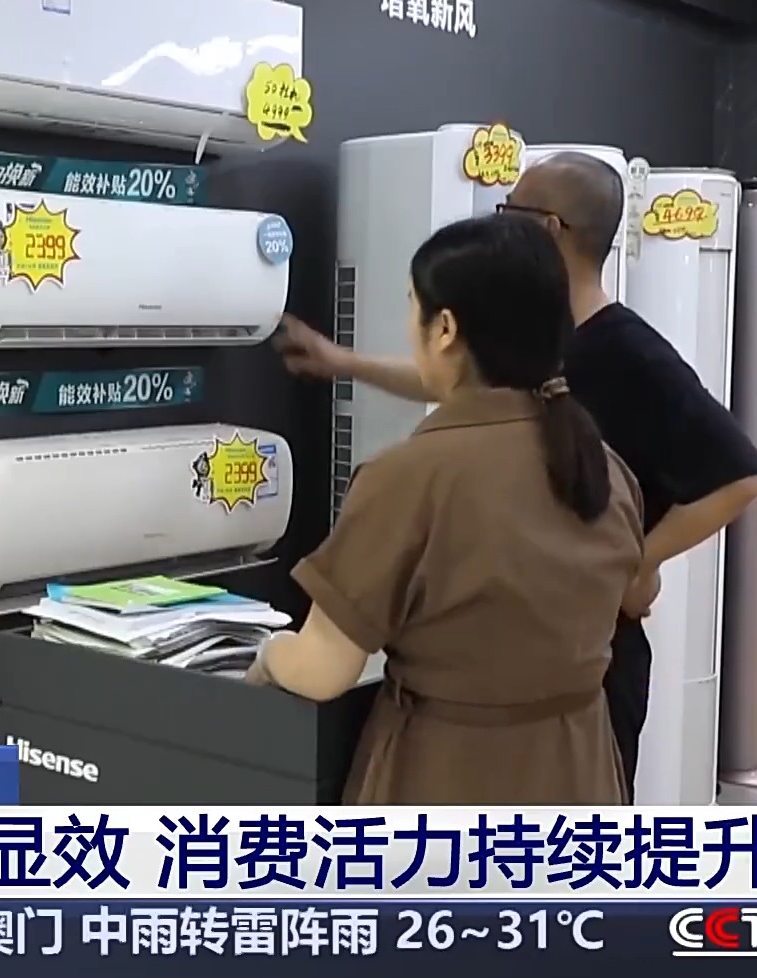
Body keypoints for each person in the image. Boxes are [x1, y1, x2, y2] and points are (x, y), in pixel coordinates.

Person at [276, 152, 757, 800]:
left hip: (466, 758)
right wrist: (344, 363)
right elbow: (455, 382)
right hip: (572, 753)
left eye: (513, 208)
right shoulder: (596, 457)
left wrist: (634, 562)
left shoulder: (407, 476)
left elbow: (743, 475)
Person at [244, 212, 644, 804]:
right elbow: (639, 593)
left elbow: (323, 670)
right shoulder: (601, 467)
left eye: (413, 307)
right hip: (580, 772)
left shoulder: (404, 480)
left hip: (450, 776)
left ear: (445, 328)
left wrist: (267, 657)